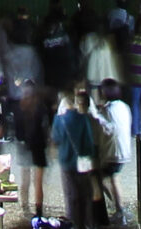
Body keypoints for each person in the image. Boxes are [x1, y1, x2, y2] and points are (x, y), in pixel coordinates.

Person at [52, 86, 103, 228]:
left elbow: (55, 139)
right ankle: (87, 224)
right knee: (85, 196)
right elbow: (88, 143)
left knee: (71, 197)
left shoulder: (58, 120)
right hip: (82, 164)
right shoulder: (83, 119)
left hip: (65, 162)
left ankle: (72, 223)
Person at [10, 82, 52, 224]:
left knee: (25, 179)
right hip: (38, 146)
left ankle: (25, 207)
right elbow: (45, 127)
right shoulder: (40, 107)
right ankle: (38, 210)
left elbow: (16, 128)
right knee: (37, 181)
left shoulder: (20, 106)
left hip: (24, 146)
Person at [97, 81, 134, 224]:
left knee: (102, 179)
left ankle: (119, 210)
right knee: (112, 178)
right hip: (124, 151)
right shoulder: (124, 106)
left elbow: (103, 127)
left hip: (113, 152)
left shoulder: (107, 110)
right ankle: (120, 209)